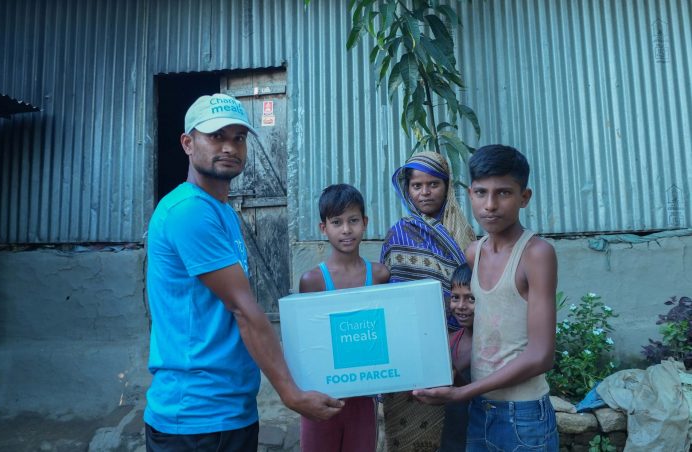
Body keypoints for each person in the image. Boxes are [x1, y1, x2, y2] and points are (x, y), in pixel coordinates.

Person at [143, 93, 343, 452]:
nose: (230, 147)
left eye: (238, 138)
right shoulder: (189, 210)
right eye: (216, 136)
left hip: (227, 408)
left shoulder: (221, 211)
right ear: (188, 143)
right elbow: (244, 311)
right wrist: (291, 393)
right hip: (197, 418)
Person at [414, 144, 559, 451]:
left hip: (524, 415)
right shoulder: (474, 253)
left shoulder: (536, 255)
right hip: (480, 411)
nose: (490, 205)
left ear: (524, 197)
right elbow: (483, 328)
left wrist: (462, 393)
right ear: (470, 195)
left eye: (503, 193)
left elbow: (541, 354)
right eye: (481, 193)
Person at [380, 151, 475, 452]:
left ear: (447, 186)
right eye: (416, 185)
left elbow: (473, 289)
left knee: (456, 430)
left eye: (433, 184)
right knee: (406, 432)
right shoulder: (398, 234)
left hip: (457, 349)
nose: (424, 192)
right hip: (407, 349)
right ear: (406, 189)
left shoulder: (465, 235)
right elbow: (389, 292)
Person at [298, 183, 390, 452]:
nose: (346, 230)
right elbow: (309, 343)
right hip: (321, 397)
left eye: (353, 221)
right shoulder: (313, 280)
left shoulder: (380, 276)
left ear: (365, 223)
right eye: (337, 222)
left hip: (364, 397)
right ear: (323, 228)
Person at [440, 263, 475, 452]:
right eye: (455, 298)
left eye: (471, 298)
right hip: (454, 439)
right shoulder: (451, 341)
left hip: (484, 436)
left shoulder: (493, 346)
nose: (461, 306)